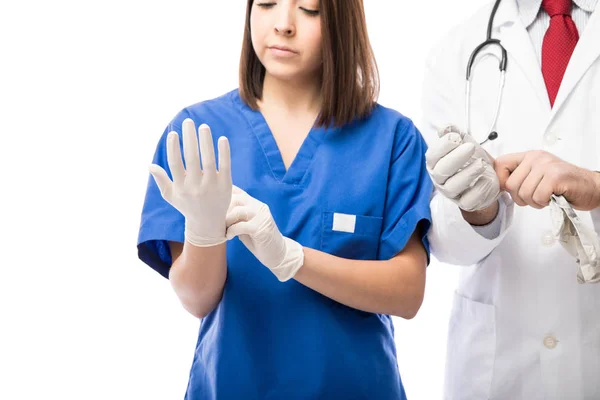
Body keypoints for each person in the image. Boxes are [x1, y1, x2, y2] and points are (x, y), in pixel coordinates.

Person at [137, 1, 432, 398]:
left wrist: (292, 258)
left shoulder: (392, 139)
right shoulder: (199, 132)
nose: (283, 25)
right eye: (267, 4)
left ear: (343, 22)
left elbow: (408, 293)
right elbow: (197, 299)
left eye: (309, 9)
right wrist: (204, 232)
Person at [421, 0, 600, 398]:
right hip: (499, 369)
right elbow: (440, 239)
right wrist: (478, 208)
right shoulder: (457, 49)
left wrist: (595, 186)